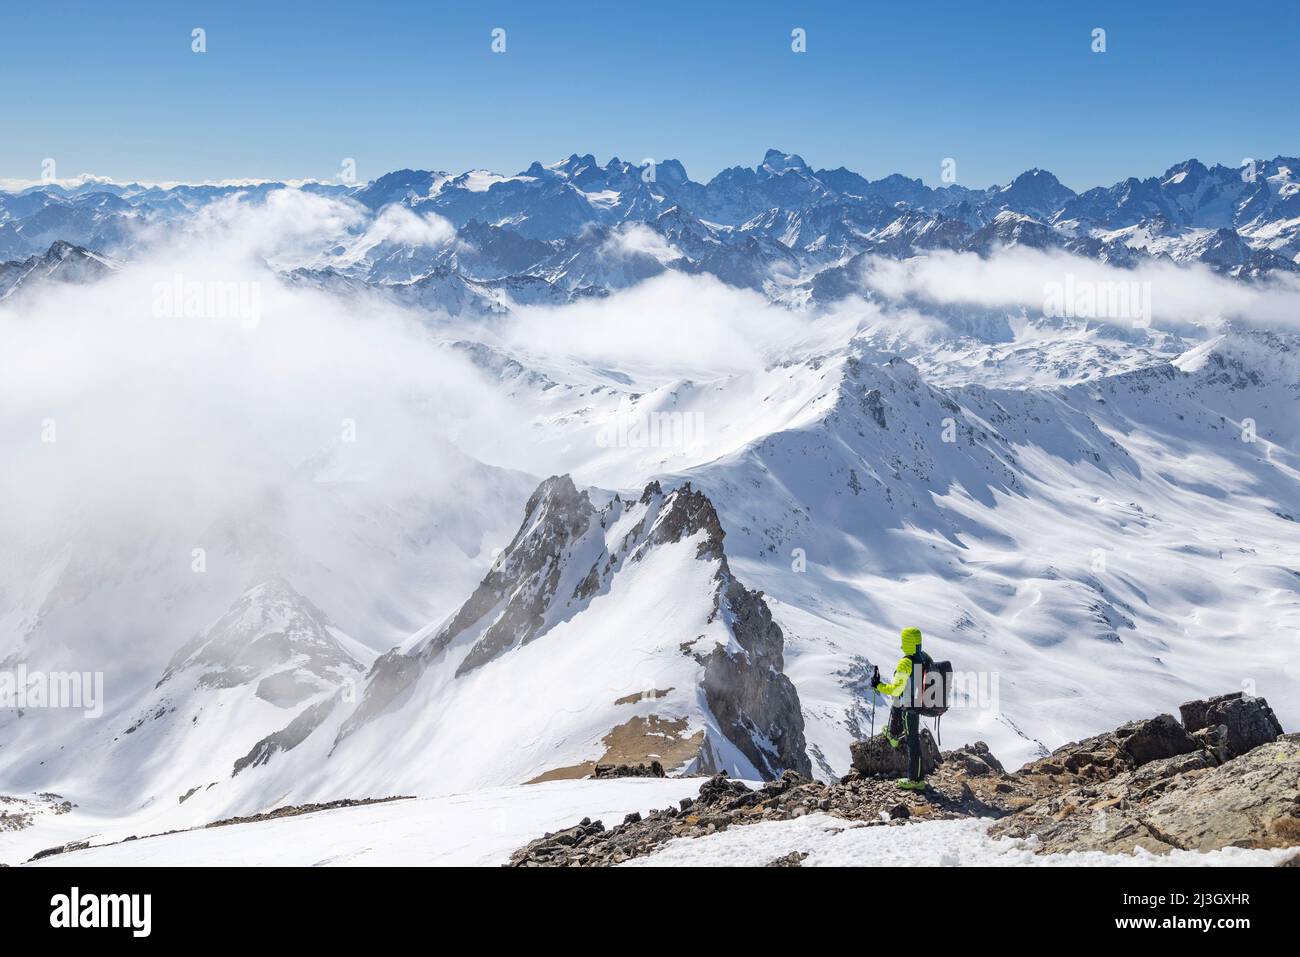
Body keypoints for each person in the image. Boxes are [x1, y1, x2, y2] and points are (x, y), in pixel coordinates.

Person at [871, 627, 933, 791]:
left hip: (908, 706)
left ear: (908, 642)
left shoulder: (906, 662)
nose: (901, 646)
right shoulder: (924, 657)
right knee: (912, 738)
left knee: (913, 742)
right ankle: (894, 736)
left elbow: (896, 690)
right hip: (919, 703)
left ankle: (915, 780)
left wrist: (878, 685)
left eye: (903, 642)